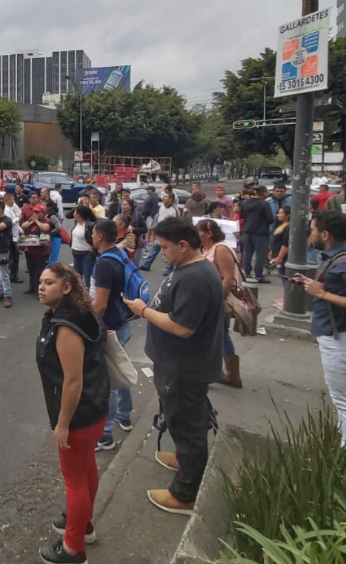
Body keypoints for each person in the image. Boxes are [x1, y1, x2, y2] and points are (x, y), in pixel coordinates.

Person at [123, 217, 223, 515]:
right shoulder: (186, 268)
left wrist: (143, 311)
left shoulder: (195, 277)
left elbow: (182, 327)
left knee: (187, 422)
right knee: (181, 418)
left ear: (183, 244)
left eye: (165, 247)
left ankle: (185, 493)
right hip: (176, 363)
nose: (161, 253)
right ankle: (184, 458)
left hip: (185, 367)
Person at [35, 263, 109, 564]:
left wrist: (63, 424)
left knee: (74, 482)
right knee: (87, 468)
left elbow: (73, 380)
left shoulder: (65, 326)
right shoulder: (78, 312)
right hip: (96, 407)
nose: (41, 287)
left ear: (66, 288)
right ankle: (84, 523)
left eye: (49, 282)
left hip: (79, 415)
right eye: (40, 281)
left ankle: (73, 548)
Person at [293, 211, 346, 448]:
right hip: (339, 335)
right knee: (343, 398)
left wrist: (321, 293)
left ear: (325, 234)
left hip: (344, 338)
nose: (310, 234)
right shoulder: (338, 256)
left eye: (312, 229)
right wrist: (314, 285)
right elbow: (337, 287)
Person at [90, 218, 135, 451]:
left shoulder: (104, 264)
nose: (92, 235)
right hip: (122, 321)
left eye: (93, 232)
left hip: (109, 326)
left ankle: (105, 434)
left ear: (99, 236)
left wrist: (90, 327)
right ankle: (125, 416)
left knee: (107, 380)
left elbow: (100, 304)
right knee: (120, 368)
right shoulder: (119, 253)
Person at [197, 219, 242, 388]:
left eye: (198, 232)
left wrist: (217, 300)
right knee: (220, 335)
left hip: (217, 299)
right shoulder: (207, 248)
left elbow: (228, 279)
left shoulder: (221, 249)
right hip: (208, 298)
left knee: (215, 335)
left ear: (208, 233)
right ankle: (226, 374)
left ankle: (222, 373)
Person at [139, 192, 181, 274]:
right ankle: (146, 264)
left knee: (169, 250)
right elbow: (158, 218)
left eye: (166, 197)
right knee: (155, 248)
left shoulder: (174, 210)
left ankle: (169, 269)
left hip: (169, 233)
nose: (163, 198)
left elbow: (176, 224)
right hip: (160, 231)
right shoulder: (161, 206)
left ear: (171, 199)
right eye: (163, 197)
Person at [239, 185, 274, 283]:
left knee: (247, 253)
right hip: (261, 232)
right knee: (260, 255)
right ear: (264, 193)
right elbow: (270, 219)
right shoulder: (264, 204)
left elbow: (241, 215)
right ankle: (258, 275)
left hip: (247, 231)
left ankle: (247, 273)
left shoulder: (244, 203)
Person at [21, 204, 54, 295]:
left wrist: (36, 221)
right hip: (30, 248)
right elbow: (23, 226)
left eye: (37, 212)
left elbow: (45, 228)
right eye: (34, 211)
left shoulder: (46, 220)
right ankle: (32, 287)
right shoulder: (31, 219)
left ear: (42, 213)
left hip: (41, 250)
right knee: (31, 269)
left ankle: (41, 290)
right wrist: (32, 221)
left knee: (40, 271)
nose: (34, 213)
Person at [70, 205, 97, 287]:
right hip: (75, 252)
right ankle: (79, 296)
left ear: (78, 215)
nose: (73, 213)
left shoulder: (90, 225)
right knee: (77, 278)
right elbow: (68, 215)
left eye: (75, 212)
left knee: (88, 277)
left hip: (87, 254)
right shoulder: (76, 223)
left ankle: (90, 295)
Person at [269, 206, 291, 275]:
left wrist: (280, 257)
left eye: (280, 213)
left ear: (287, 215)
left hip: (283, 257)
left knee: (284, 275)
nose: (278, 215)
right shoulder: (281, 226)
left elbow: (285, 244)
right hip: (276, 254)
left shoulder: (288, 227)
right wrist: (271, 251)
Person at [46, 199, 64, 265]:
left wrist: (50, 232)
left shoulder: (52, 216)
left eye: (45, 206)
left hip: (55, 238)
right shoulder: (53, 214)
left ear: (49, 208)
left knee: (52, 258)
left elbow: (58, 227)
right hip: (53, 237)